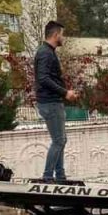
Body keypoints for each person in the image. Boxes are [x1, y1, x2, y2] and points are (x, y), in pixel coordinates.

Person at [35, 21, 78, 181]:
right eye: (62, 34)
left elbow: (47, 78)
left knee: (60, 140)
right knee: (59, 140)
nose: (63, 38)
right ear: (55, 35)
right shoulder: (45, 53)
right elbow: (43, 78)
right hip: (50, 102)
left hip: (52, 101)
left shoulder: (48, 52)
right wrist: (65, 92)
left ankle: (60, 175)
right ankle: (48, 176)